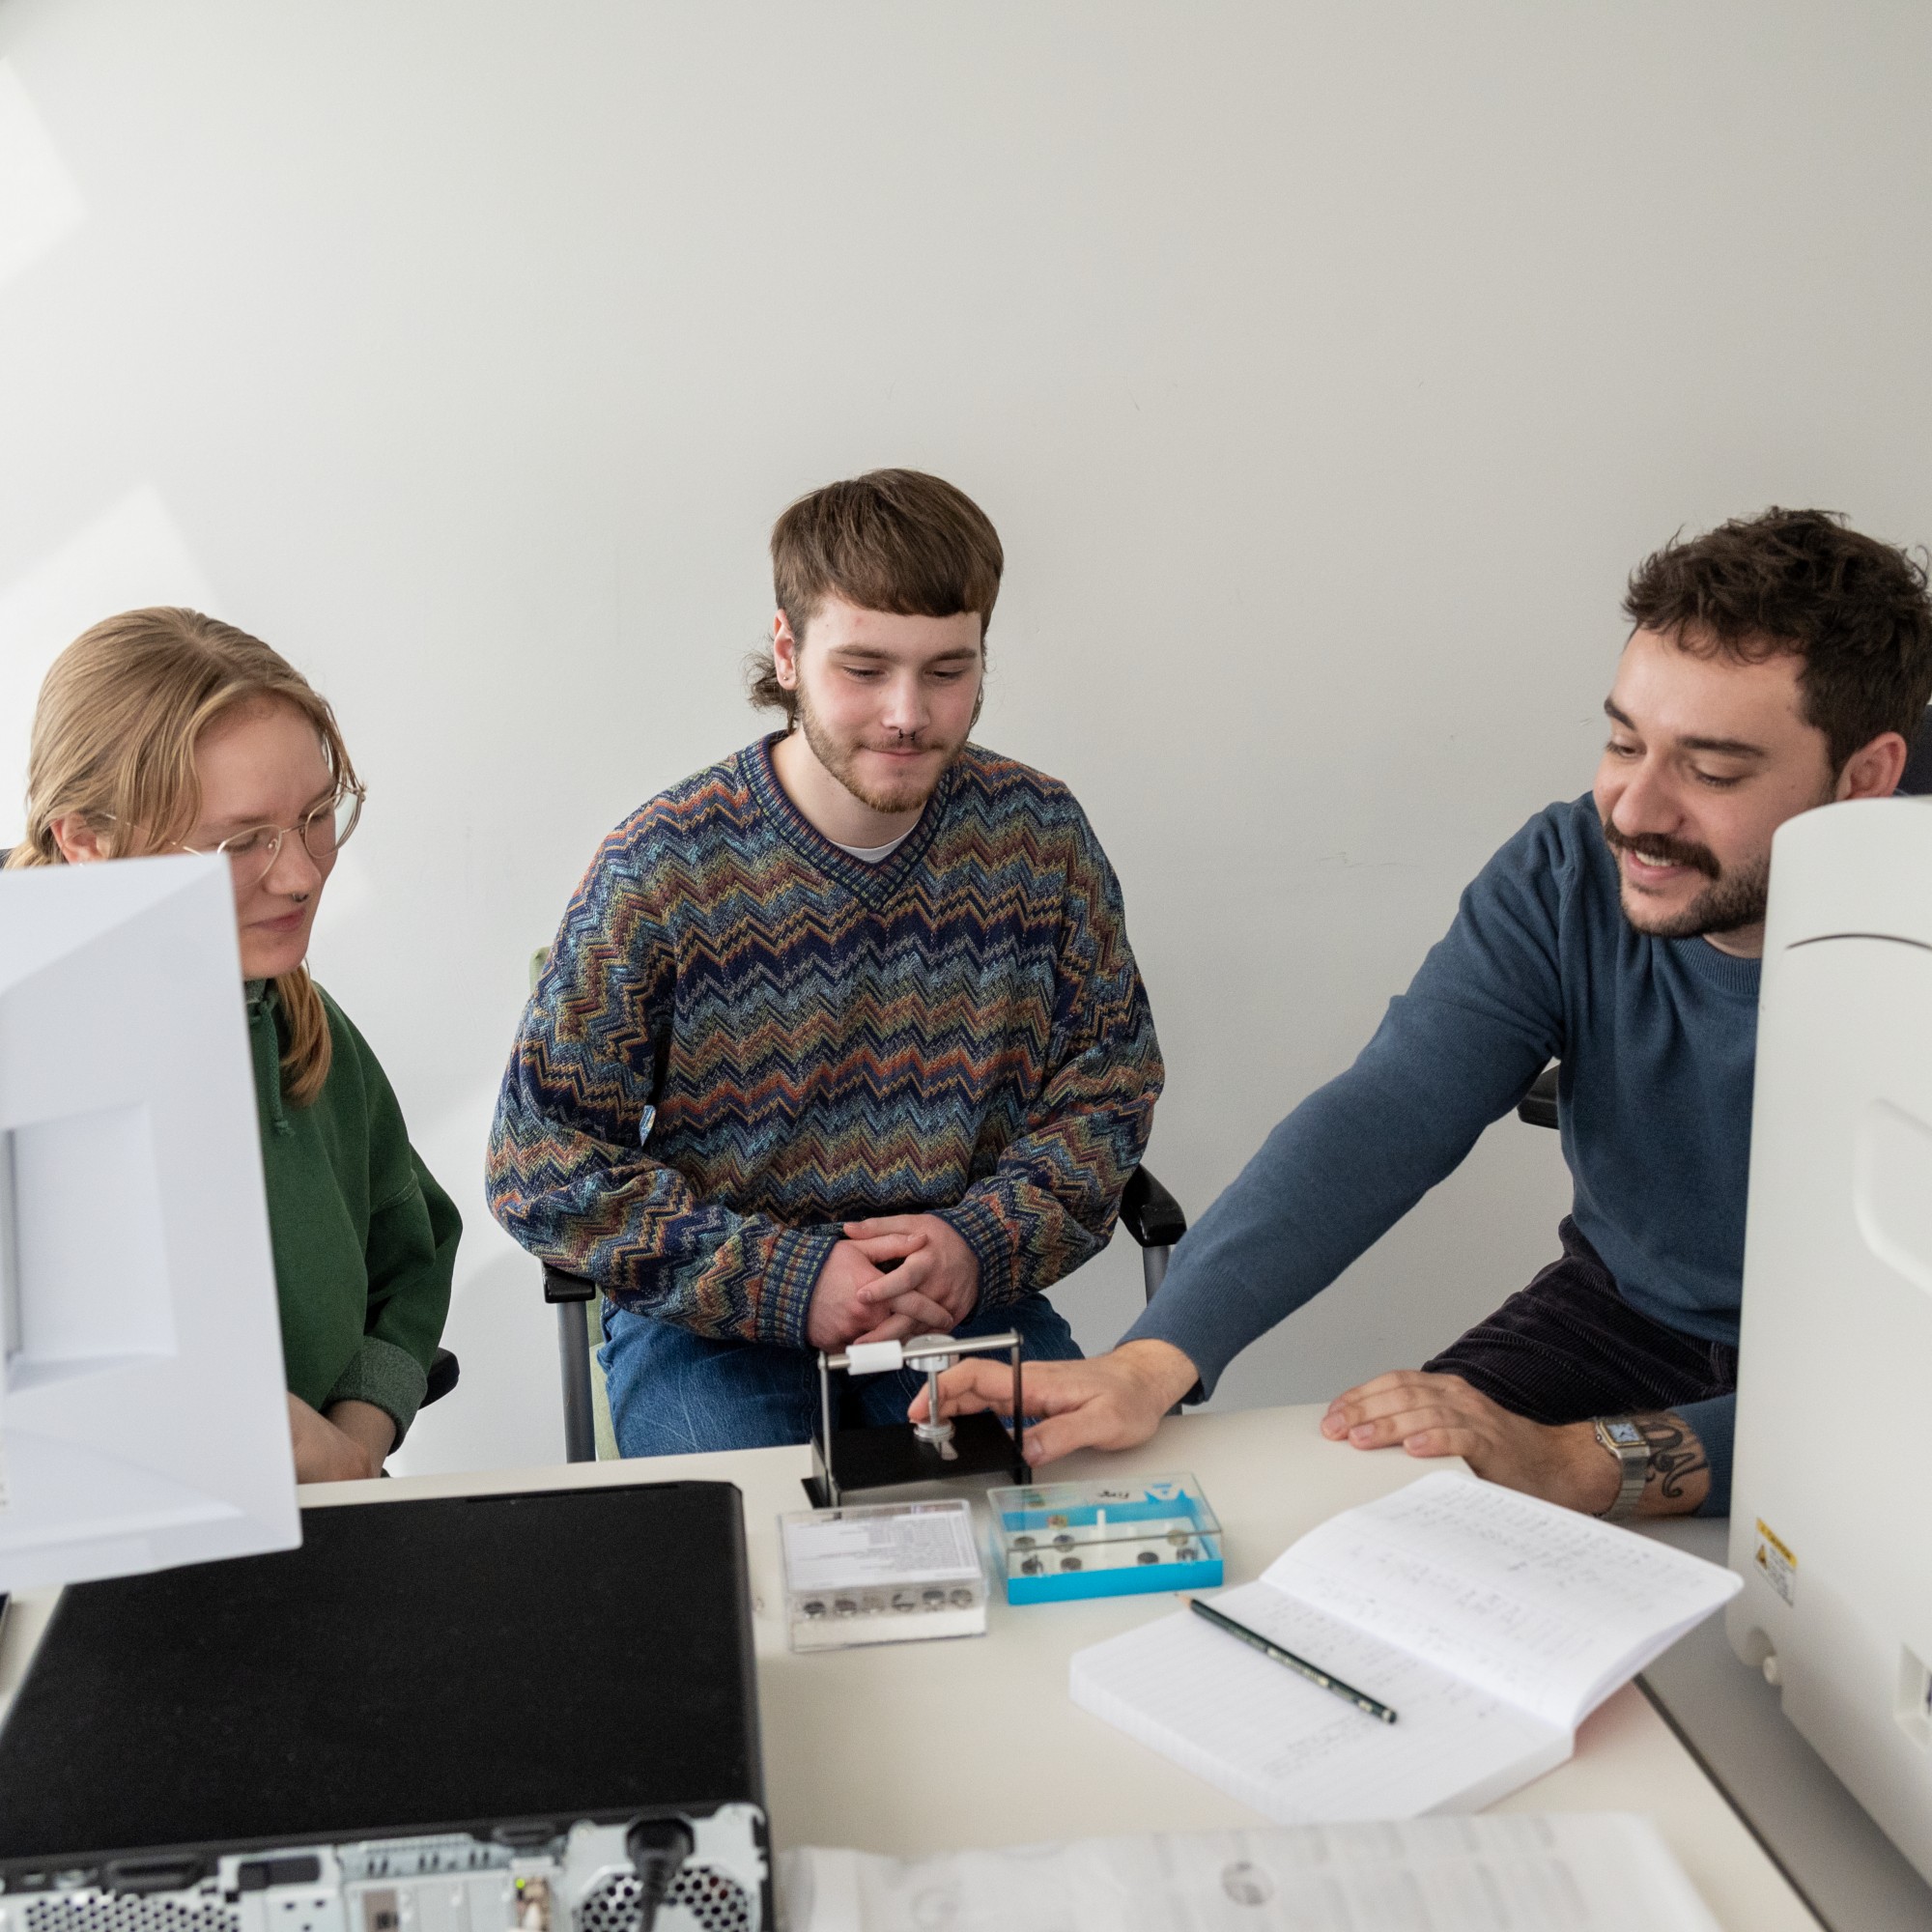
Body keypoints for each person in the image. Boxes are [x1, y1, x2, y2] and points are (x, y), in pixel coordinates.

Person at [923, 507, 1932, 1520]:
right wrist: (1151, 1361)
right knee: (1398, 1513)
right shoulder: (1566, 870)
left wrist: (1584, 1462)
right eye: (1624, 743)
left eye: (1710, 771)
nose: (1633, 810)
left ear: (1866, 778)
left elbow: (1891, 1403)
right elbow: (1387, 1114)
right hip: (1619, 1319)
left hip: (1877, 1368)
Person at [489, 468, 1163, 1455]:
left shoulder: (1039, 839)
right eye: (864, 668)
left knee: (1044, 1513)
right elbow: (539, 1158)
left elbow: (1108, 1089)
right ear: (786, 651)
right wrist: (786, 1281)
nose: (907, 713)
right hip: (715, 1328)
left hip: (958, 1299)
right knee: (753, 1539)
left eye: (947, 671)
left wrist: (978, 1243)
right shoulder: (663, 865)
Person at [6, 607, 460, 1482]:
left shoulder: (300, 1022)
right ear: (85, 840)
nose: (300, 874)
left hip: (320, 1517)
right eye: (241, 841)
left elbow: (411, 1259)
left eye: (317, 815)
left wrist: (352, 1446)